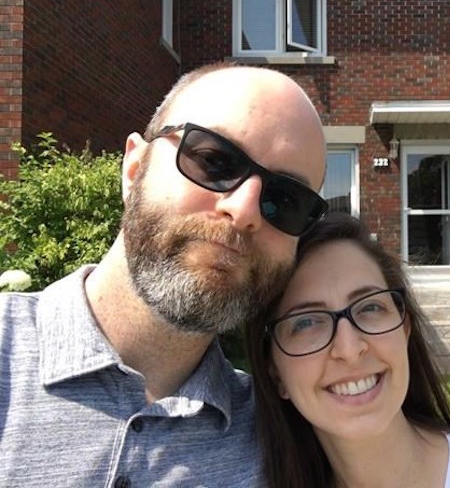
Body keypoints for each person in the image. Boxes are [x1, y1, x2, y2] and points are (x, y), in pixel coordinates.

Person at [0, 62, 328, 486]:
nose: (243, 210)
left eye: (286, 200)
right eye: (214, 160)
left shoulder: (281, 444)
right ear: (134, 168)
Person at [246, 213, 450, 488]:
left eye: (370, 308)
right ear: (275, 373)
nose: (349, 349)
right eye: (306, 323)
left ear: (405, 328)